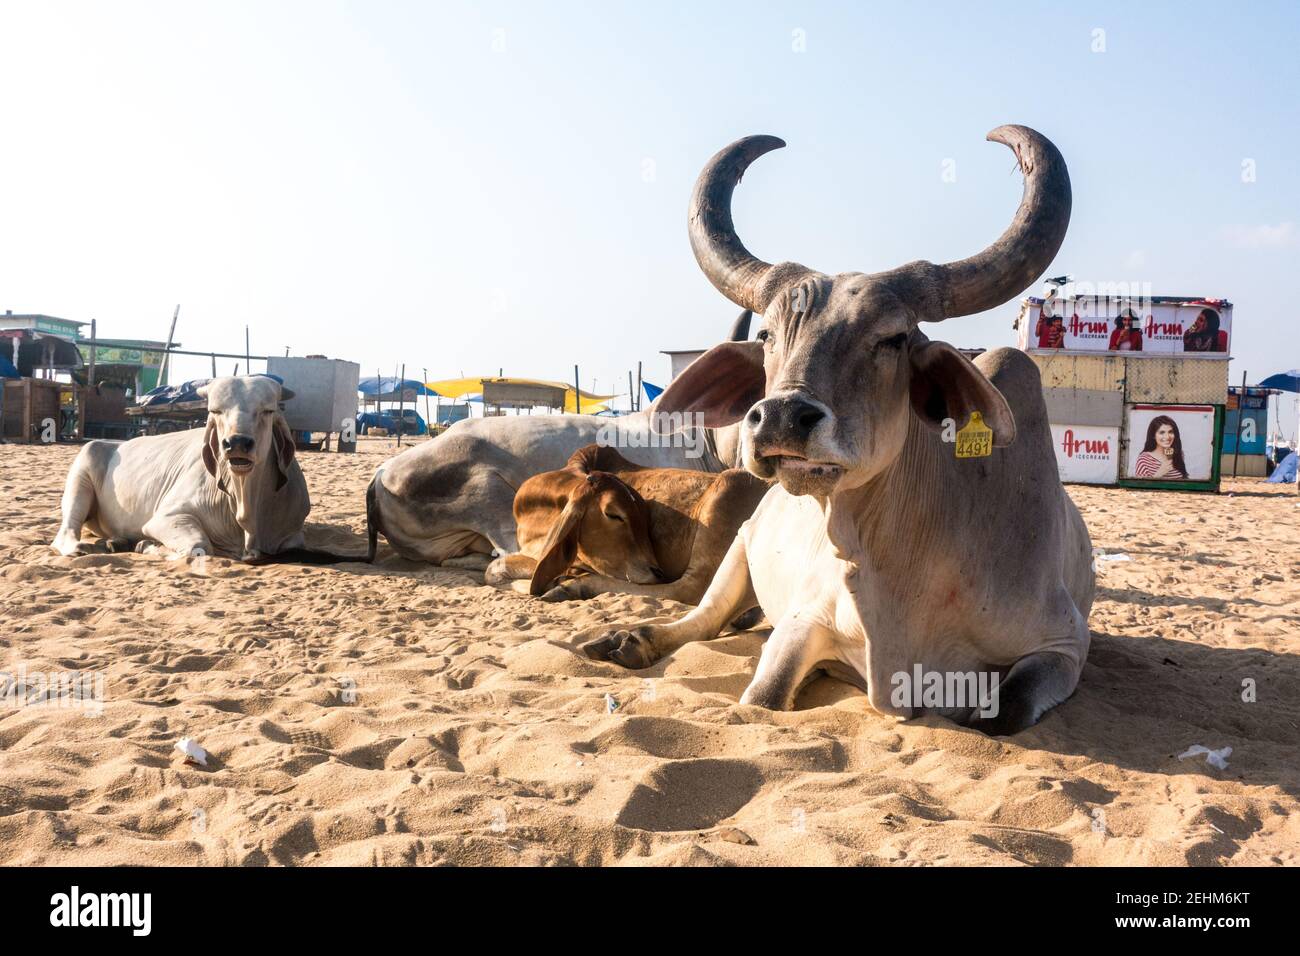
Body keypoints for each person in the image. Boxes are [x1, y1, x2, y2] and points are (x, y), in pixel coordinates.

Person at [1133, 415, 1188, 479]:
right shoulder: (1143, 460)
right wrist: (1159, 473)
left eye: (1170, 432)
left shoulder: (1178, 453)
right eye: (1162, 432)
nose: (1167, 437)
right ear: (1153, 436)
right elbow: (1140, 487)